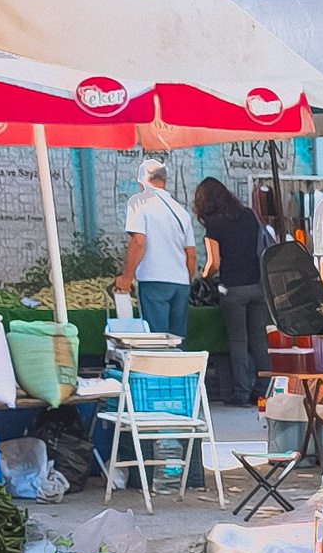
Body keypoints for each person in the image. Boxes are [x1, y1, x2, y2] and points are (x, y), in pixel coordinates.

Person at [191, 174, 271, 408]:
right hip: (258, 287)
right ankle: (265, 390)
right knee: (259, 341)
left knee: (238, 341)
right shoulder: (248, 215)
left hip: (232, 290)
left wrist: (203, 276)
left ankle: (241, 392)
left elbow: (214, 263)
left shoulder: (214, 225)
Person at [115, 158, 197, 337]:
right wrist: (187, 280)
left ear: (141, 181)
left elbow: (138, 242)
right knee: (177, 339)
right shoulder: (181, 211)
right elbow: (191, 254)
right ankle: (180, 365)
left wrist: (127, 278)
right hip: (180, 283)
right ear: (164, 180)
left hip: (154, 280)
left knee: (156, 339)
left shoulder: (138, 202)